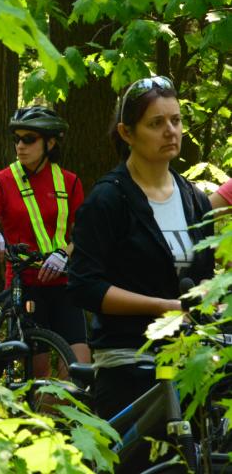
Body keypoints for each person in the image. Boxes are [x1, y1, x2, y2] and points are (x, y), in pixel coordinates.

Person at [67, 76, 214, 434]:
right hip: (129, 364)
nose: (170, 131)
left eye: (176, 120)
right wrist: (164, 307)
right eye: (156, 123)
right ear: (126, 133)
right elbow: (84, 286)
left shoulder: (194, 199)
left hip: (190, 361)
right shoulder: (108, 200)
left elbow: (206, 279)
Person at [0, 106, 90, 365]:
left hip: (63, 282)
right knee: (38, 371)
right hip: (24, 284)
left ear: (50, 143)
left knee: (79, 365)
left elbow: (82, 236)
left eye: (29, 139)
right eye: (16, 139)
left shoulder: (70, 182)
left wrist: (64, 253)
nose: (20, 146)